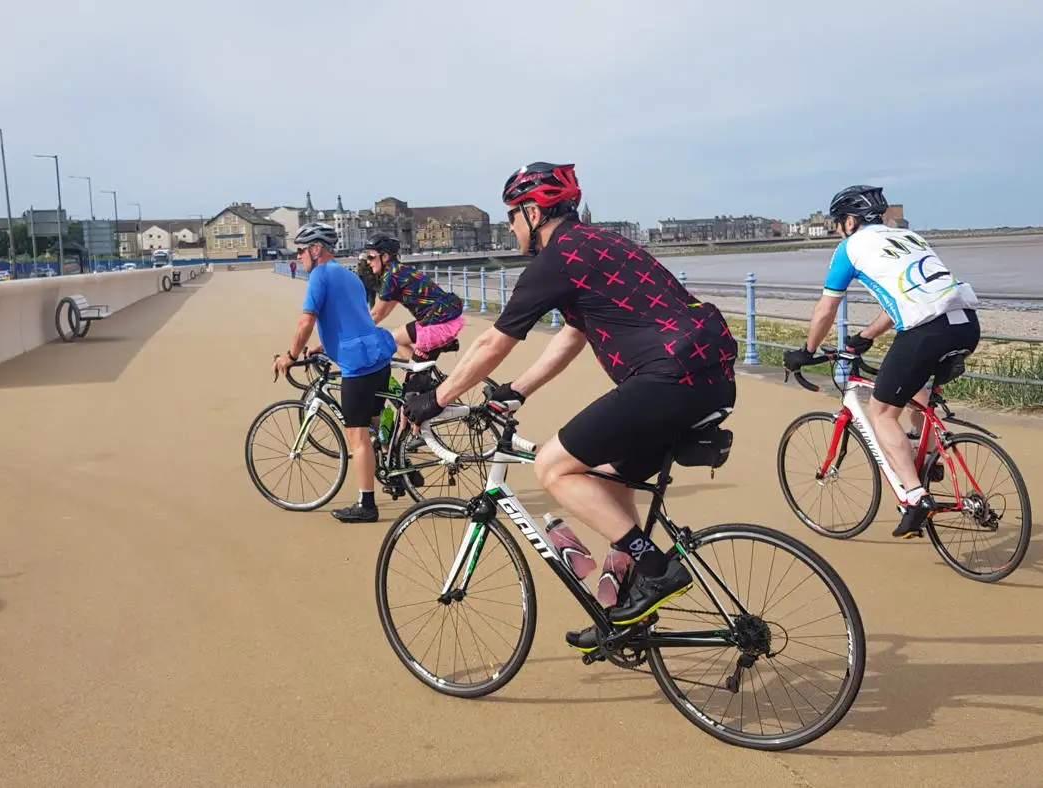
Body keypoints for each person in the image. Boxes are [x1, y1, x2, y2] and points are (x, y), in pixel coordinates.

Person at [399, 162, 739, 651]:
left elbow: (494, 343)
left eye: (512, 217)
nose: (510, 228)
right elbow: (576, 331)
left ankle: (658, 570)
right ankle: (627, 610)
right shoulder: (605, 245)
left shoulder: (556, 259)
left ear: (534, 213)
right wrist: (520, 389)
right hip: (709, 378)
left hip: (665, 380)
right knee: (605, 478)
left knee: (552, 467)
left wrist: (435, 398)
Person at [783, 184, 981, 539]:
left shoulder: (849, 249)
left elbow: (828, 307)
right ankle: (930, 462)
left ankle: (915, 496)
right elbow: (907, 296)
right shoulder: (908, 237)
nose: (837, 229)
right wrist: (866, 336)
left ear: (849, 221)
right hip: (966, 324)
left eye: (837, 222)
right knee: (917, 397)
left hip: (927, 331)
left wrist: (808, 350)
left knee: (882, 412)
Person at [273, 222, 399, 523]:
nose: (299, 257)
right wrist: (323, 345)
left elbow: (306, 321)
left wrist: (290, 356)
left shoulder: (319, 275)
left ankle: (366, 504)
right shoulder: (349, 276)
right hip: (378, 356)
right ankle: (396, 470)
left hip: (357, 366)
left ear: (316, 250)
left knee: (356, 436)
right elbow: (351, 320)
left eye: (301, 251)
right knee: (373, 423)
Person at [362, 233, 465, 362]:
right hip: (440, 316)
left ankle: (421, 377)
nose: (368, 261)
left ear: (385, 256)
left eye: (371, 257)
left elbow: (378, 313)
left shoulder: (392, 276)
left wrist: (356, 334)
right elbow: (384, 310)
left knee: (416, 377)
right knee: (394, 339)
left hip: (437, 322)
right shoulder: (399, 270)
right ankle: (420, 373)